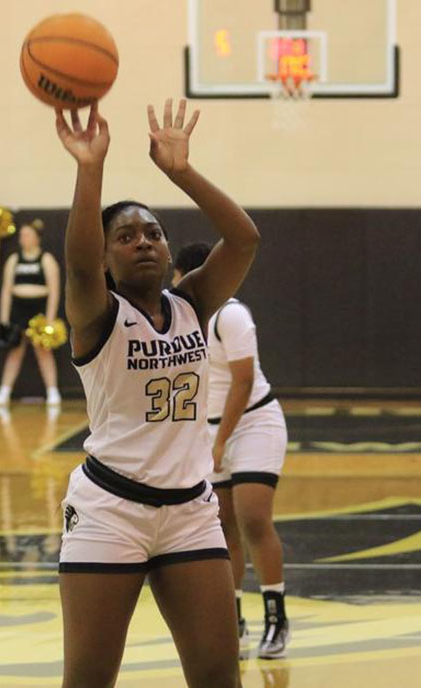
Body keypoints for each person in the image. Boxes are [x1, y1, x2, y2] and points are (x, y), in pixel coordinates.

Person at [54, 98, 259, 688]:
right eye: (124, 236)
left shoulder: (193, 302)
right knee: (90, 679)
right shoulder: (97, 313)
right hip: (110, 511)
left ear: (168, 251)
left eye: (153, 233)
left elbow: (244, 241)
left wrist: (181, 172)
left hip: (190, 509)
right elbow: (78, 266)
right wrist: (90, 166)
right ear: (106, 257)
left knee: (220, 676)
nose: (143, 242)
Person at [173, 241, 290, 660]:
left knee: (253, 517)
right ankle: (232, 620)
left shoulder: (231, 314)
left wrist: (221, 441)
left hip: (254, 422)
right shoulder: (181, 320)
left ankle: (276, 618)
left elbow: (242, 382)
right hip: (209, 430)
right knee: (221, 529)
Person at [0, 219, 61, 406]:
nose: (23, 238)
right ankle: (4, 391)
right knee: (15, 350)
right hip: (18, 309)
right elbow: (6, 290)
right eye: (21, 235)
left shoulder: (46, 259)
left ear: (37, 238)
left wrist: (49, 319)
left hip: (38, 311)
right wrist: (4, 319)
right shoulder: (14, 259)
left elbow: (54, 290)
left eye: (27, 234)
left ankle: (52, 391)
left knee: (43, 351)